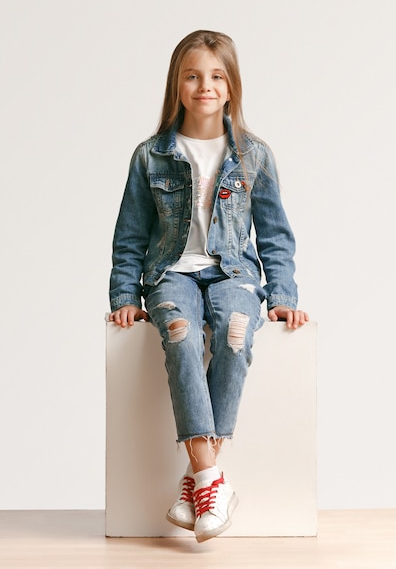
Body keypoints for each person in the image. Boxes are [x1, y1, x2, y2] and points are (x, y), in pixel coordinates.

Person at [109, 30, 309, 543]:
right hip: (171, 272)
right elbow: (130, 235)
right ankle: (210, 478)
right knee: (178, 333)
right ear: (177, 85)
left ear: (232, 85)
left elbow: (276, 235)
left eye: (217, 76)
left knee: (235, 332)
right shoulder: (150, 155)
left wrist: (284, 297)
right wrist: (125, 297)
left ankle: (196, 479)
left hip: (235, 272)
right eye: (193, 76)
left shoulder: (254, 155)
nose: (205, 85)